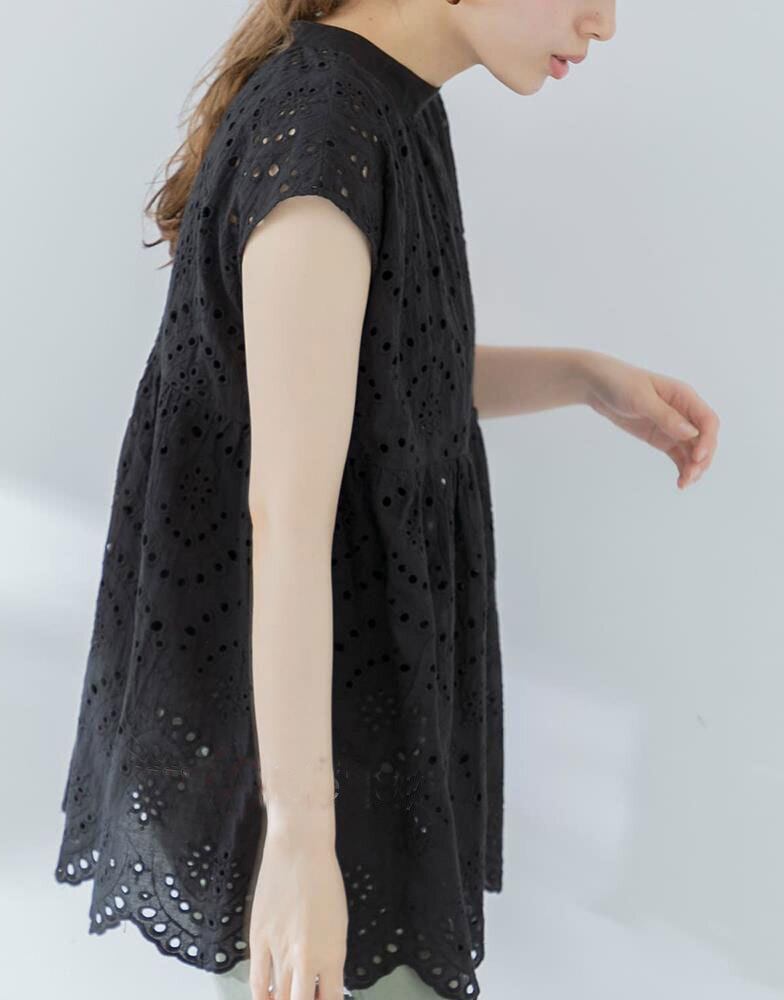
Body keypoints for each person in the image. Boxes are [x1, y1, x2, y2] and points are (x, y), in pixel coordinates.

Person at [54, 2, 719, 999]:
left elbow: (381, 378)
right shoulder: (324, 140)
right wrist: (298, 846)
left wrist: (585, 378)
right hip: (302, 761)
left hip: (341, 731)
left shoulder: (386, 110)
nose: (605, 21)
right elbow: (286, 518)